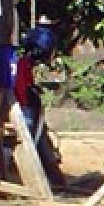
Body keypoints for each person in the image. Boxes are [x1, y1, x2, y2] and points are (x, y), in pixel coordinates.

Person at [13, 19, 66, 190]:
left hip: (27, 106)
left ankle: (55, 180)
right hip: (24, 108)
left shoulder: (25, 64)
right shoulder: (22, 65)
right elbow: (21, 90)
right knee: (30, 137)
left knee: (40, 137)